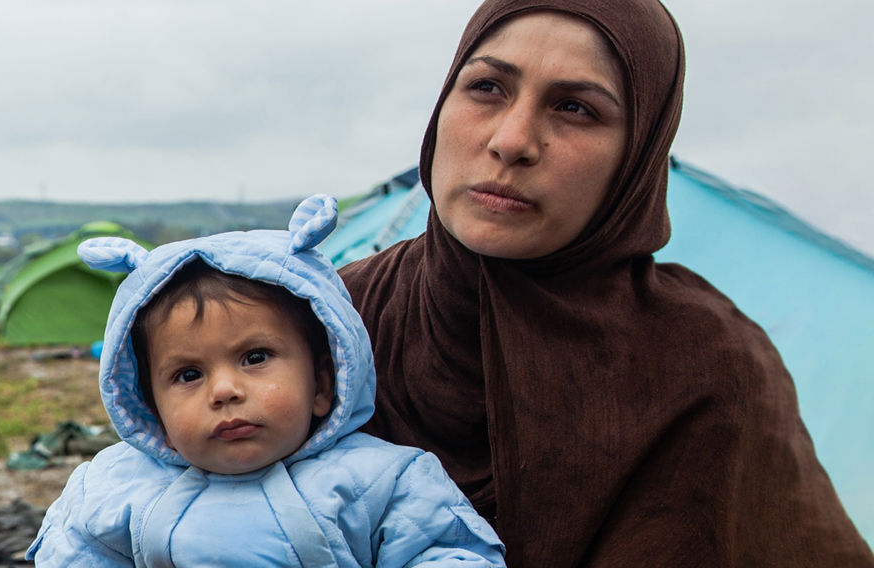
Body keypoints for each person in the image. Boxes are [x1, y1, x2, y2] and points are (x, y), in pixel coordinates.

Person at [336, 1, 874, 566]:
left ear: (637, 156)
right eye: (487, 87)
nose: (512, 141)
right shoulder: (334, 320)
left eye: (575, 108)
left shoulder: (707, 366)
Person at [29, 195, 505, 566]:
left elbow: (449, 552)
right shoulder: (114, 488)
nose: (224, 391)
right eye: (188, 374)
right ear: (150, 405)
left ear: (323, 384)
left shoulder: (380, 481)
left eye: (255, 358)